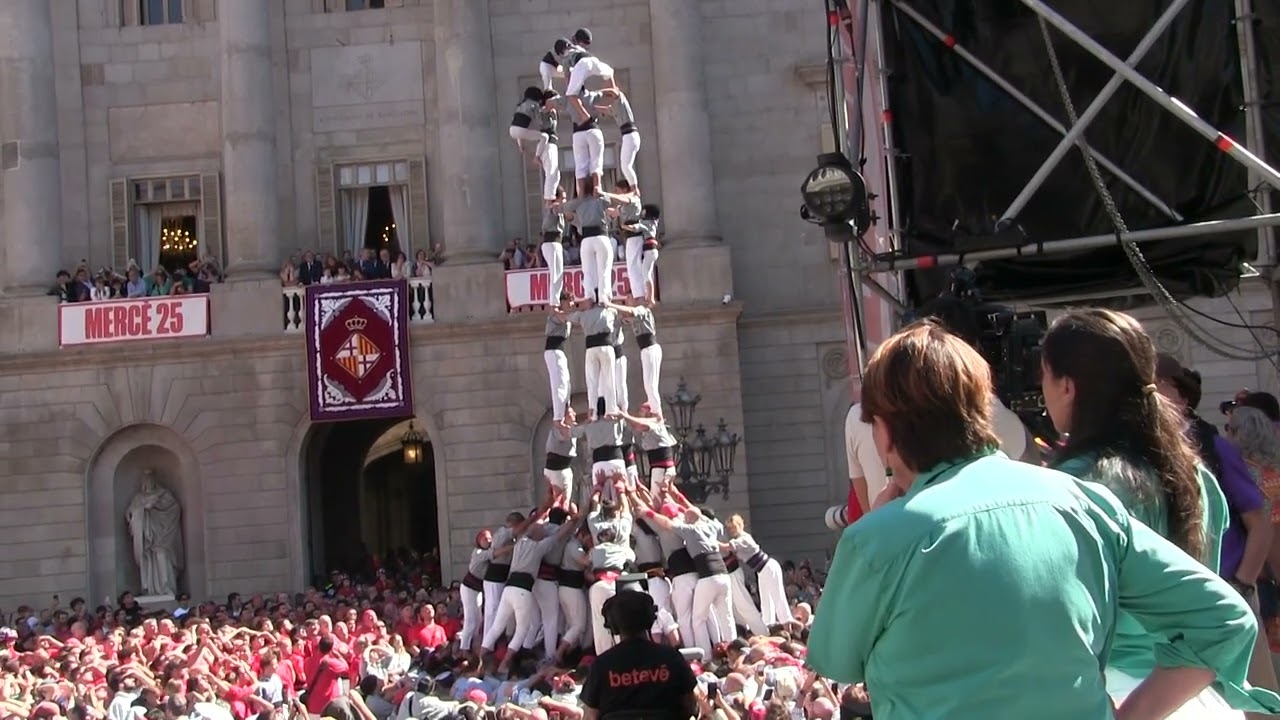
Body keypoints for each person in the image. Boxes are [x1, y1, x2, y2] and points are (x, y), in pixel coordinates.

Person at [808, 320, 1277, 719]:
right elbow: (1226, 618)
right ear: (981, 413)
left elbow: (837, 661)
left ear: (885, 433)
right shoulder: (1084, 502)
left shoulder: (876, 539)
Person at [1039, 308, 1250, 714]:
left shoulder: (1073, 487)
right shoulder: (1197, 475)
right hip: (1198, 698)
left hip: (1118, 695)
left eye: (1044, 375)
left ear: (1067, 386)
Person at [633, 496, 734, 658]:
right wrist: (671, 493)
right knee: (708, 613)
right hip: (698, 575)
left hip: (682, 578)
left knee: (686, 618)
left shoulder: (670, 528)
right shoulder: (690, 525)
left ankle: (693, 652)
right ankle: (719, 645)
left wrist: (637, 499)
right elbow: (687, 510)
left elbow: (650, 514)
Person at [579, 591, 697, 720]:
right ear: (650, 620)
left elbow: (591, 715)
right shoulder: (672, 658)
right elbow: (690, 706)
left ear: (613, 626)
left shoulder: (601, 665)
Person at [586, 480, 635, 654]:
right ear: (617, 511)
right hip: (619, 582)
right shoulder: (622, 529)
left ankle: (603, 657)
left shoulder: (596, 529)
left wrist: (597, 490)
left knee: (600, 624)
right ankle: (625, 654)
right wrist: (621, 490)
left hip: (599, 583)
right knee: (621, 621)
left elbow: (593, 510)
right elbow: (627, 511)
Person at [561, 178, 629, 304]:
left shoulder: (578, 202)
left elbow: (565, 209)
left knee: (587, 272)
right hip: (601, 236)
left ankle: (589, 298)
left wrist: (575, 218)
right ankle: (604, 298)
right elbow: (615, 204)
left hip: (586, 239)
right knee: (604, 271)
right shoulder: (601, 199)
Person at [724, 513, 792, 629]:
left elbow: (728, 547)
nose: (730, 530)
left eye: (732, 527)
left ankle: (787, 626)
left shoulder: (744, 538)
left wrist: (711, 543)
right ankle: (768, 625)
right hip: (761, 570)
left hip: (767, 566)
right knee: (766, 600)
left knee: (777, 596)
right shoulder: (740, 539)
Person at [562, 296, 621, 417]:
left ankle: (592, 412)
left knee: (592, 382)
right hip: (605, 346)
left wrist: (580, 308)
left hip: (591, 349)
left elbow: (567, 317)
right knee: (609, 379)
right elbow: (618, 313)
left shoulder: (583, 314)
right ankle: (611, 410)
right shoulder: (609, 310)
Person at [608, 301, 662, 416]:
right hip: (646, 350)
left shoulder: (642, 309)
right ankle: (655, 409)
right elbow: (626, 318)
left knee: (651, 385)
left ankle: (658, 414)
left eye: (629, 298)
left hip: (650, 348)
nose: (627, 301)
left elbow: (631, 312)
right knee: (649, 385)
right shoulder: (635, 315)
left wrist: (610, 304)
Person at [618, 404, 677, 493]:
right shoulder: (653, 424)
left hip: (662, 467)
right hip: (659, 467)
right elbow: (637, 425)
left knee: (658, 499)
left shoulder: (656, 424)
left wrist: (625, 416)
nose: (640, 414)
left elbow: (639, 425)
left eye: (642, 412)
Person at [591, 87, 640, 191]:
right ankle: (633, 187)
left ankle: (635, 189)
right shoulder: (616, 107)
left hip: (630, 135)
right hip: (629, 135)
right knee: (626, 166)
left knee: (626, 166)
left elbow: (614, 91)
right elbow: (606, 110)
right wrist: (593, 107)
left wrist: (598, 92)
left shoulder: (620, 100)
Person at [459, 530, 492, 654]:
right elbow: (492, 554)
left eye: (489, 539)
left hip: (477, 590)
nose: (488, 541)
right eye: (485, 539)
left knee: (479, 618)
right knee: (470, 619)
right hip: (468, 588)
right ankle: (464, 648)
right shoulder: (478, 552)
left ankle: (473, 643)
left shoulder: (487, 553)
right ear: (479, 541)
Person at [544, 290, 574, 425]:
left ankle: (565, 409)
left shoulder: (567, 316)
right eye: (569, 301)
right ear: (562, 302)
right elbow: (563, 317)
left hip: (560, 350)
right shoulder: (555, 314)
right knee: (559, 384)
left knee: (566, 383)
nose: (572, 304)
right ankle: (558, 417)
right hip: (553, 349)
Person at [622, 204, 661, 306]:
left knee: (646, 274)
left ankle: (651, 297)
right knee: (646, 274)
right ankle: (650, 296)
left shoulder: (646, 223)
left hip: (649, 250)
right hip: (651, 250)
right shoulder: (653, 223)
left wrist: (624, 226)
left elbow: (636, 228)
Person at [564, 28, 616, 98]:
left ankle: (612, 92)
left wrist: (569, 90)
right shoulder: (579, 51)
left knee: (571, 95)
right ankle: (614, 92)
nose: (586, 46)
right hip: (593, 60)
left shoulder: (569, 54)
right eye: (585, 44)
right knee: (609, 71)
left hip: (582, 62)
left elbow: (567, 76)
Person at [545, 410, 578, 510]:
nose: (575, 414)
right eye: (572, 412)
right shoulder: (559, 429)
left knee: (560, 499)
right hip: (558, 470)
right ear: (565, 416)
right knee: (563, 501)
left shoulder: (570, 428)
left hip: (558, 469)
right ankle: (560, 521)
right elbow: (566, 435)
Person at [541, 192, 568, 301]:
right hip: (552, 242)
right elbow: (558, 209)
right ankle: (554, 301)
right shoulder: (555, 207)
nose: (565, 200)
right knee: (556, 274)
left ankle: (556, 299)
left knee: (557, 273)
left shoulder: (554, 208)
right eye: (563, 198)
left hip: (554, 243)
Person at [509, 86, 547, 154]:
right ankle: (537, 157)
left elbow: (517, 124)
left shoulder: (520, 105)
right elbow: (540, 121)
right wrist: (544, 112)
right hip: (521, 130)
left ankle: (520, 146)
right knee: (544, 137)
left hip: (512, 130)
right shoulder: (535, 105)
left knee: (522, 128)